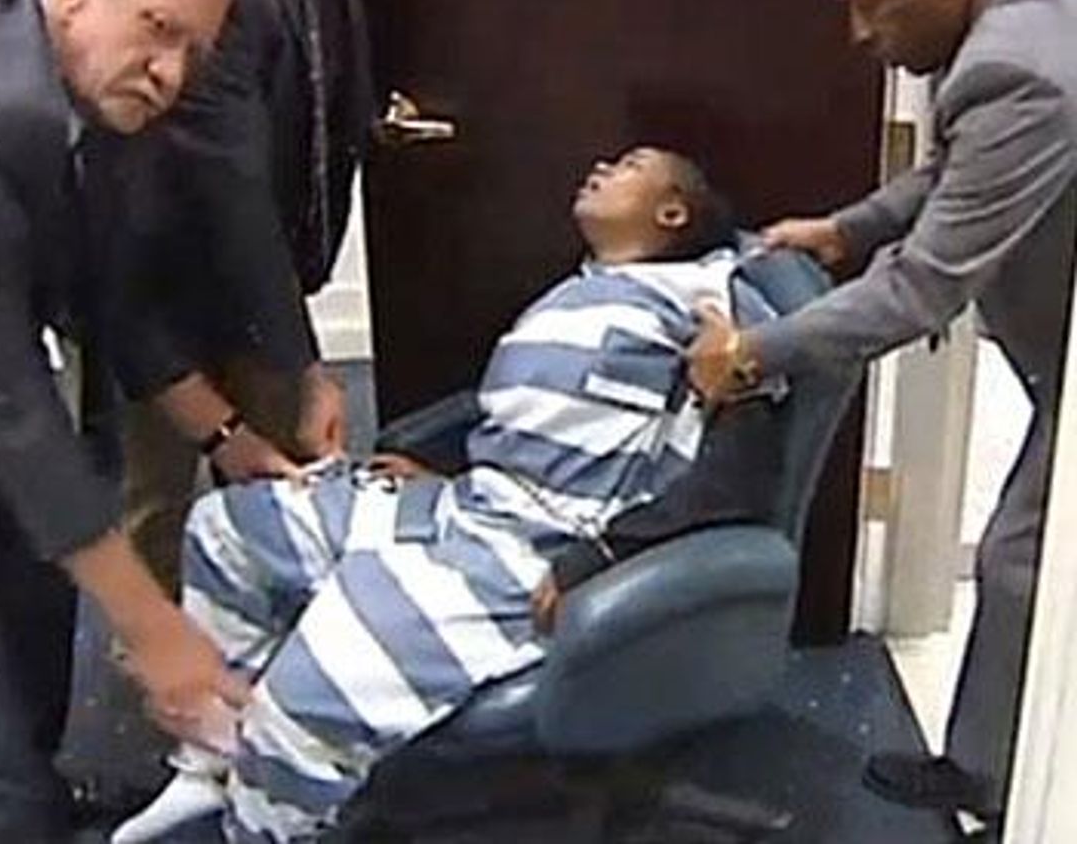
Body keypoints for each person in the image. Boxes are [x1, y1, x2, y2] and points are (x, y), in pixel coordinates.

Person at [110, 146, 791, 843]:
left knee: (310, 695)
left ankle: (266, 824)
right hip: (469, 503)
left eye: (630, 165)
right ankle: (211, 762)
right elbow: (538, 410)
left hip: (538, 552)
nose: (602, 165)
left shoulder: (713, 306)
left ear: (671, 212)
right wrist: (437, 462)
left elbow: (738, 477)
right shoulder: (593, 287)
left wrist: (596, 557)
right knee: (232, 528)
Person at [686, 0, 1077, 826]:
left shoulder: (1021, 65)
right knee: (1022, 561)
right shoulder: (1011, 7)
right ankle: (988, 772)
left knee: (1020, 561)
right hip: (1057, 361)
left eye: (872, 5)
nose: (860, 34)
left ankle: (1008, 788)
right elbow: (958, 169)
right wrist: (847, 229)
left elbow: (918, 291)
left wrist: (751, 351)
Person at [0, 0, 249, 840]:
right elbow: (1, 400)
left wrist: (225, 434)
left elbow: (108, 295)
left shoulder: (89, 88)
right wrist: (155, 629)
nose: (171, 72)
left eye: (192, 51)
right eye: (158, 29)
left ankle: (32, 796)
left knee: (35, 605)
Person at [102, 0, 373, 594]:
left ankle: (279, 635)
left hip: (264, 286)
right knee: (155, 506)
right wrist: (305, 367)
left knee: (285, 496)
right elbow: (233, 192)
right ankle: (156, 648)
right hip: (157, 289)